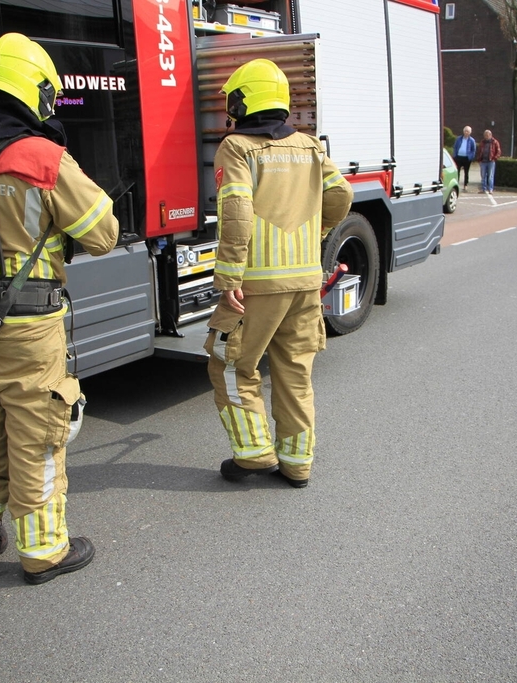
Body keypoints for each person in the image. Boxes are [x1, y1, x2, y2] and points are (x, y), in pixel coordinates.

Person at [0, 33, 119, 584]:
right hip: (28, 328)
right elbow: (104, 235)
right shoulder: (41, 157)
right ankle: (43, 553)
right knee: (36, 437)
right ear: (31, 92)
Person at [205, 59, 353, 488]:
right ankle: (297, 464)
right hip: (306, 282)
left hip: (257, 285)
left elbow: (235, 213)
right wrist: (316, 230)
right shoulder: (310, 146)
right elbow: (341, 194)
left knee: (230, 365)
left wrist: (229, 278)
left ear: (242, 100)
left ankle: (253, 455)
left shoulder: (237, 148)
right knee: (294, 371)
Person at [477, 129, 502, 194]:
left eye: (488, 135)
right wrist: (479, 160)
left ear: (491, 135)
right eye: (485, 135)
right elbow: (479, 151)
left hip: (491, 161)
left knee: (490, 176)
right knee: (483, 176)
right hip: (483, 162)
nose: (486, 136)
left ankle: (490, 189)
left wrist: (494, 158)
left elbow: (498, 152)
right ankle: (483, 189)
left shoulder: (495, 142)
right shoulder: (482, 142)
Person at [452, 126, 476, 190]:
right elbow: (455, 147)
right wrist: (454, 155)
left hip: (466, 158)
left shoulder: (472, 140)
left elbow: (473, 150)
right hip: (458, 157)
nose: (466, 132)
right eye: (465, 131)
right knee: (457, 171)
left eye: (467, 131)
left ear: (470, 132)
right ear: (463, 131)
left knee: (466, 172)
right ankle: (456, 183)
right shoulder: (459, 139)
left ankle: (465, 184)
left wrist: (471, 157)